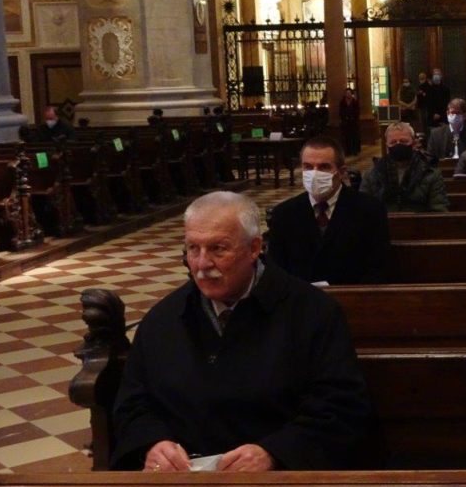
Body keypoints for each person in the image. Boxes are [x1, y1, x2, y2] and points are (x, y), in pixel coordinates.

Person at [110, 191, 373, 471]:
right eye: (192, 249)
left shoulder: (313, 312)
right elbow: (133, 402)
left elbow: (340, 406)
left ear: (254, 248)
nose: (202, 265)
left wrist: (274, 452)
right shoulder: (163, 320)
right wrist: (152, 444)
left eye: (218, 249)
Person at [267, 136, 390, 284]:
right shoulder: (284, 214)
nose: (314, 174)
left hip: (353, 299)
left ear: (341, 172)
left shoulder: (370, 210)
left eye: (324, 167)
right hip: (301, 302)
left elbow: (378, 267)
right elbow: (276, 272)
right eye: (308, 167)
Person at [360, 121, 449, 212]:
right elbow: (363, 210)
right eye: (393, 142)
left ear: (413, 143)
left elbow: (439, 209)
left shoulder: (430, 173)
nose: (398, 145)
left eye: (403, 141)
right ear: (387, 145)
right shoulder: (372, 175)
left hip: (419, 224)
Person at [338, 87, 361, 156]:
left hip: (353, 122)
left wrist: (353, 117)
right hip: (345, 122)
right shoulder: (342, 102)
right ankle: (347, 151)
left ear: (351, 94)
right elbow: (340, 112)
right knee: (346, 137)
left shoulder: (355, 102)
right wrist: (344, 118)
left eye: (349, 93)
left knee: (354, 137)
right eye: (346, 93)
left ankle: (354, 150)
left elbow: (357, 111)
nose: (348, 94)